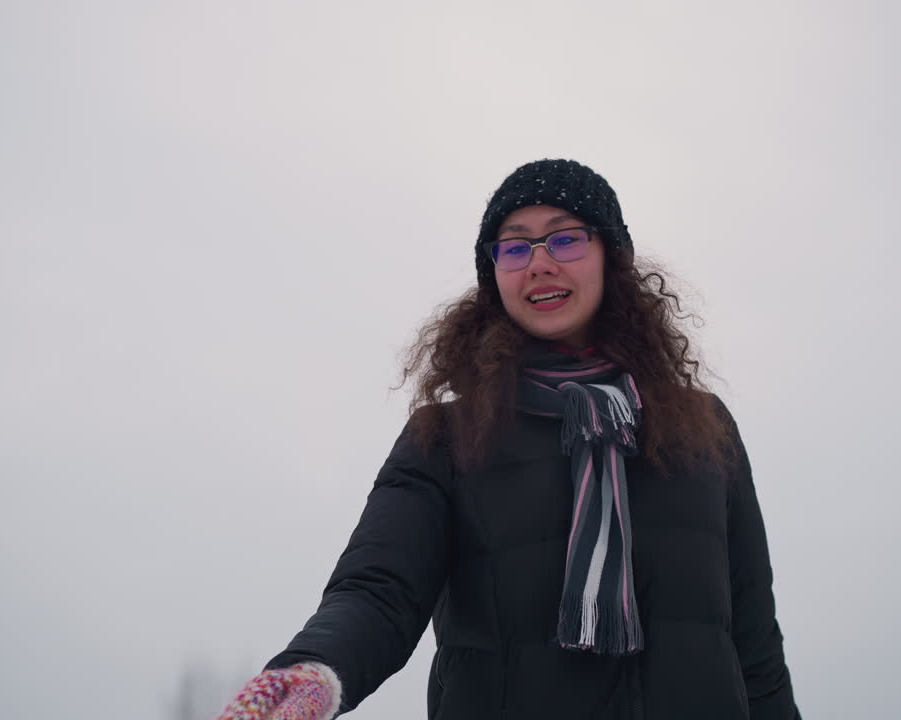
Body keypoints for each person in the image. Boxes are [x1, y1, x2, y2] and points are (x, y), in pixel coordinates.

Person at [217, 159, 801, 719]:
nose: (539, 263)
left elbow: (754, 643)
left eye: (565, 239)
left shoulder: (703, 428)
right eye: (515, 247)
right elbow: (377, 589)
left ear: (610, 257)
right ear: (494, 275)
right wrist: (311, 672)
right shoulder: (446, 436)